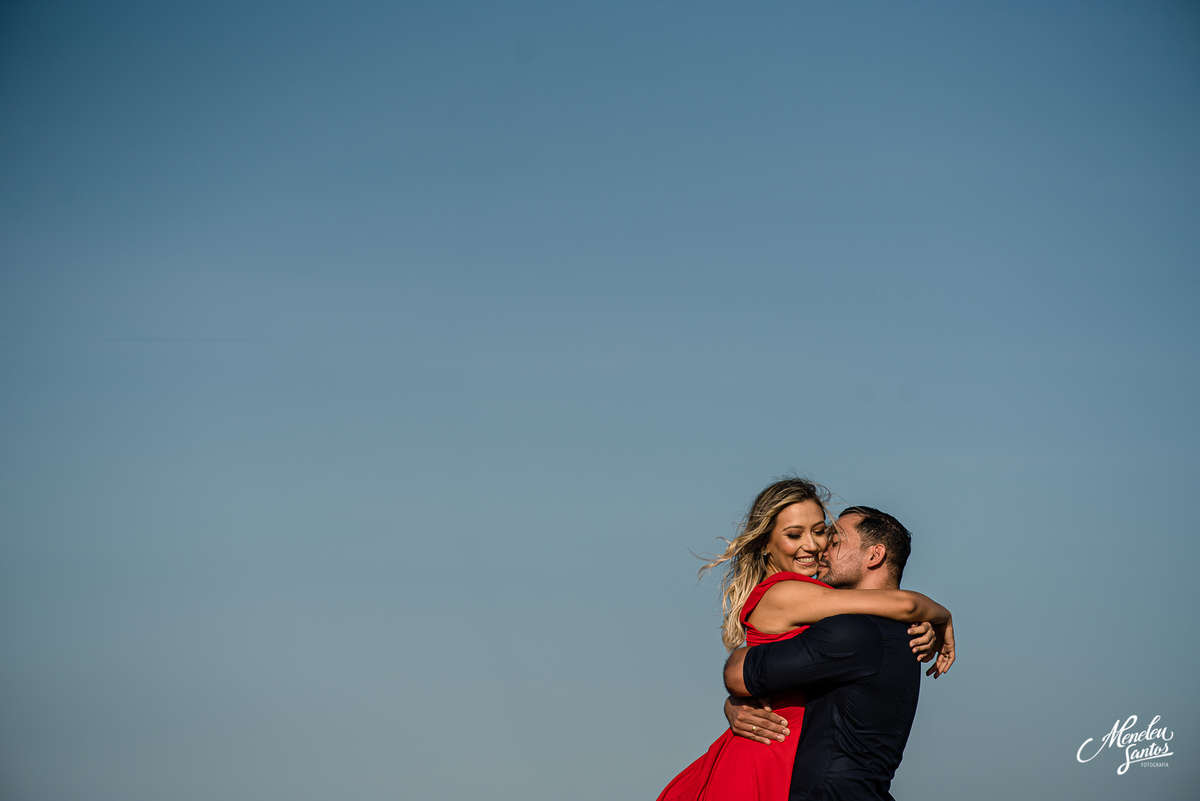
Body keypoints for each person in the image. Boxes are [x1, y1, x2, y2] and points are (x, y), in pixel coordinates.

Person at [655, 481, 953, 801]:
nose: (814, 547)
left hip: (783, 753)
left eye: (822, 532)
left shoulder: (829, 607)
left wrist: (735, 703)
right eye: (795, 535)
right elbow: (898, 604)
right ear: (767, 544)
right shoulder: (790, 592)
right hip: (765, 755)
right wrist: (939, 615)